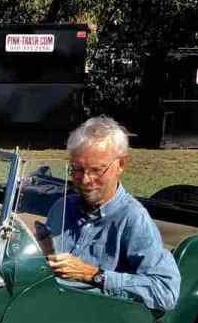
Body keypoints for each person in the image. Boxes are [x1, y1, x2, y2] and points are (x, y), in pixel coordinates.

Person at [44, 116, 180, 311]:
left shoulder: (133, 218)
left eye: (96, 170)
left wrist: (92, 274)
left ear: (121, 165)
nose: (85, 180)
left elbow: (166, 291)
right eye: (77, 169)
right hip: (49, 308)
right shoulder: (62, 206)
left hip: (95, 322)